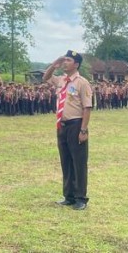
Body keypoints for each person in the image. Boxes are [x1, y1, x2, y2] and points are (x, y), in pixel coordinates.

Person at [43, 50, 93, 210]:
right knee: (66, 161)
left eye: (68, 60)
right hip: (62, 125)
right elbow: (45, 78)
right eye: (64, 60)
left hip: (76, 124)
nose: (65, 63)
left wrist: (83, 130)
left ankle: (80, 198)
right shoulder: (61, 80)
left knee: (78, 162)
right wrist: (54, 64)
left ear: (76, 64)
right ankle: (69, 196)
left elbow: (87, 108)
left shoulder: (82, 82)